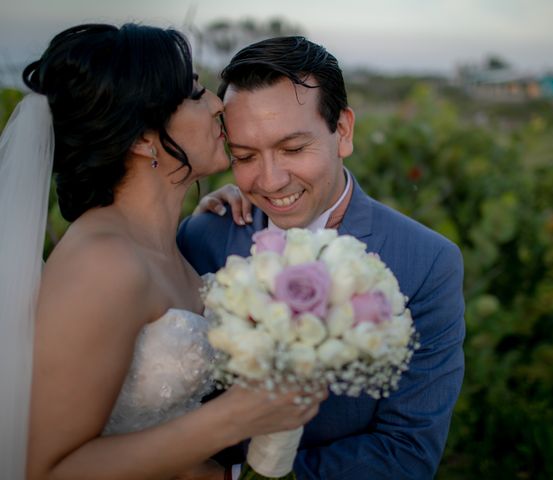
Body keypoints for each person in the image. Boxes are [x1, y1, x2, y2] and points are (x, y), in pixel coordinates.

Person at [0, 24, 325, 480]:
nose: (217, 104)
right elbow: (46, 471)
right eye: (194, 94)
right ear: (142, 139)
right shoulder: (103, 264)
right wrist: (235, 417)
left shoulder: (170, 243)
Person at [177, 36, 466, 479]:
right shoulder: (202, 237)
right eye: (246, 155)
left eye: (293, 149)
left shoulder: (426, 263)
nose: (270, 181)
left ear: (343, 131)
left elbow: (407, 451)